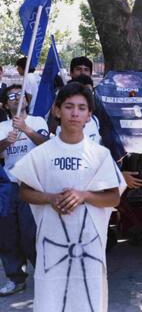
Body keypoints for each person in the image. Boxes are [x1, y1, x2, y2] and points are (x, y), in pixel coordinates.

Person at [11, 82, 125, 312]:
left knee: (89, 300)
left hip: (89, 247)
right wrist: (51, 198)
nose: (75, 113)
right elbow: (24, 191)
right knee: (50, 300)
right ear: (57, 110)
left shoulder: (100, 154)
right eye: (69, 106)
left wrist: (83, 195)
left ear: (89, 116)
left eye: (82, 108)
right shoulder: (42, 153)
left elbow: (113, 198)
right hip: (51, 243)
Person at [0, 84, 49, 296]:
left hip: (33, 184)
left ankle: (44, 275)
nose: (16, 98)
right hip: (9, 185)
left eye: (20, 95)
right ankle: (15, 278)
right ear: (4, 104)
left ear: (27, 100)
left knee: (31, 234)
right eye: (11, 96)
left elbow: (47, 146)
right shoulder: (2, 126)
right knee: (7, 234)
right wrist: (4, 143)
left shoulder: (37, 121)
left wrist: (26, 130)